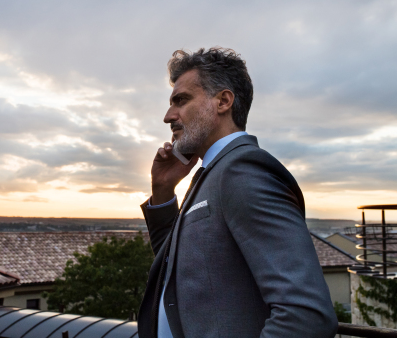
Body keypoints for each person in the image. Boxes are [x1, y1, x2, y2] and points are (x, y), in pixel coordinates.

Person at [137, 47, 338, 337]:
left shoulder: (243, 170)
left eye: (181, 100)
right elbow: (177, 265)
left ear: (223, 101)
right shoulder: (212, 174)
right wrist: (163, 189)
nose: (169, 116)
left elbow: (305, 315)